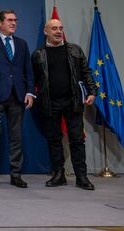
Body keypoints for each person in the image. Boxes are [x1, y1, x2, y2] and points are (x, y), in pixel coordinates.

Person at [32, 18, 96, 190]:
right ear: (46, 31)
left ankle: (81, 177)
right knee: (54, 140)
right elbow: (33, 80)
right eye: (54, 28)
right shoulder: (38, 54)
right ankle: (58, 174)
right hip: (50, 103)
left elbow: (86, 72)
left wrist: (92, 92)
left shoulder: (75, 50)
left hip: (73, 102)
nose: (58, 31)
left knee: (77, 140)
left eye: (60, 28)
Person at [0, 9, 34, 188]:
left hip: (18, 96)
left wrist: (30, 92)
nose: (13, 23)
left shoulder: (22, 43)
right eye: (9, 20)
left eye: (15, 20)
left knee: (16, 137)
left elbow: (28, 71)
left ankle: (16, 174)